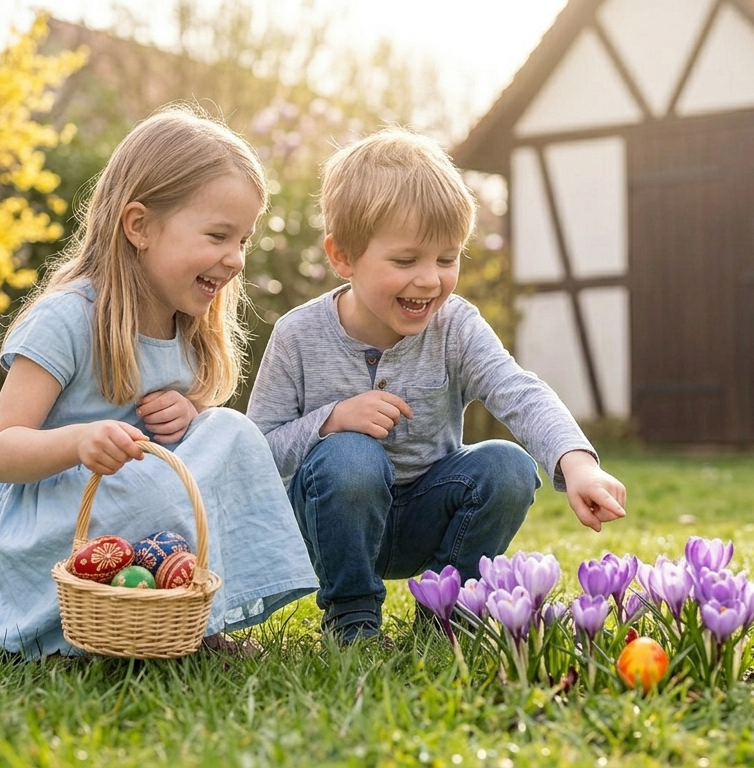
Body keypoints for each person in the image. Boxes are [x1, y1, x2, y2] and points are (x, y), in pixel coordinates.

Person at [0, 105, 318, 658]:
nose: (235, 260)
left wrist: (190, 413)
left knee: (233, 432)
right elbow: (0, 452)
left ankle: (188, 613)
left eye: (243, 241)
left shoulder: (187, 326)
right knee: (161, 482)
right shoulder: (69, 318)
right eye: (219, 235)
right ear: (139, 226)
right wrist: (80, 441)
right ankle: (85, 622)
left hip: (129, 507)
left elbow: (185, 439)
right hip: (51, 526)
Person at [246, 127, 627, 643]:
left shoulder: (455, 325)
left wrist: (576, 463)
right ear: (343, 258)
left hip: (430, 510)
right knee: (351, 457)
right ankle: (353, 618)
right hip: (335, 521)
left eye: (447, 259)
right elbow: (256, 453)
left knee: (507, 466)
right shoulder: (298, 334)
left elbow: (519, 392)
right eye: (406, 261)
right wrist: (330, 422)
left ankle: (447, 608)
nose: (429, 280)